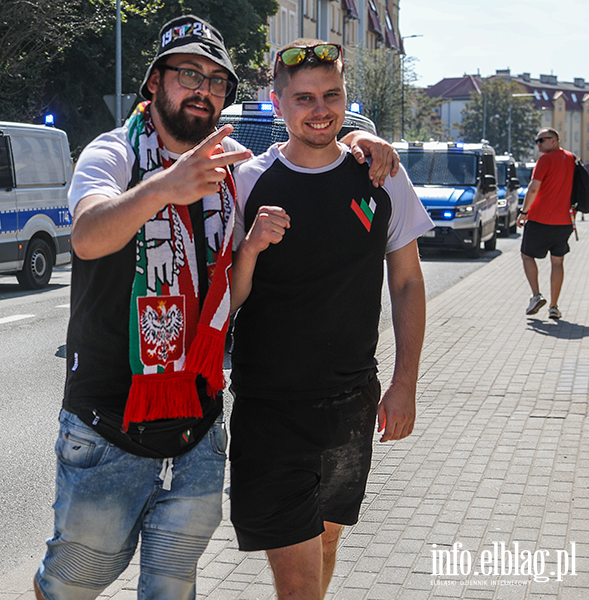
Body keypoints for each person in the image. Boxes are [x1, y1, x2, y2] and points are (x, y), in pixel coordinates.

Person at [34, 17, 398, 600]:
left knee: (173, 585)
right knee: (73, 585)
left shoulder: (232, 165)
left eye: (216, 80)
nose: (202, 88)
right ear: (155, 84)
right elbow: (87, 237)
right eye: (187, 74)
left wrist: (360, 139)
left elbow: (307, 147)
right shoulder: (112, 154)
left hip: (199, 419)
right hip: (109, 418)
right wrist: (163, 187)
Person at [228, 39, 433, 600]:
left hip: (350, 405)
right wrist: (249, 248)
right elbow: (227, 300)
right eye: (303, 98)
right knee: (295, 574)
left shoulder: (381, 177)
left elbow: (409, 282)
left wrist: (405, 384)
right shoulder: (246, 182)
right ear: (276, 103)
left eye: (332, 95)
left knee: (324, 542)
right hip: (270, 406)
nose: (320, 108)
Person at [517, 128, 577, 320]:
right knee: (557, 261)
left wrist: (524, 212)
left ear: (555, 141)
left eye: (542, 140)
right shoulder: (572, 158)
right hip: (565, 221)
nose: (539, 144)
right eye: (537, 141)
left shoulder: (545, 160)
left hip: (540, 219)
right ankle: (554, 306)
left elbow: (533, 189)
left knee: (527, 255)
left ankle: (536, 296)